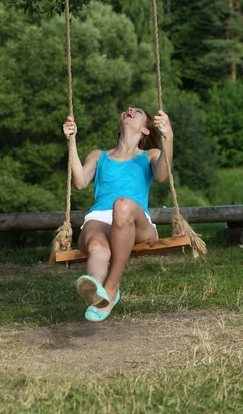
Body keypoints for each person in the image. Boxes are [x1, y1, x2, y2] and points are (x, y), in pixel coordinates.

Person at [62, 106, 174, 322]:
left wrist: (168, 136)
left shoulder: (151, 154)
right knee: (96, 247)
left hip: (135, 221)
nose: (129, 109)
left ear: (146, 130)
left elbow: (162, 175)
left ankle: (111, 287)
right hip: (99, 219)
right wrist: (71, 141)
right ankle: (94, 286)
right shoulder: (98, 156)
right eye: (127, 109)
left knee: (122, 205)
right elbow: (80, 182)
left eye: (138, 111)